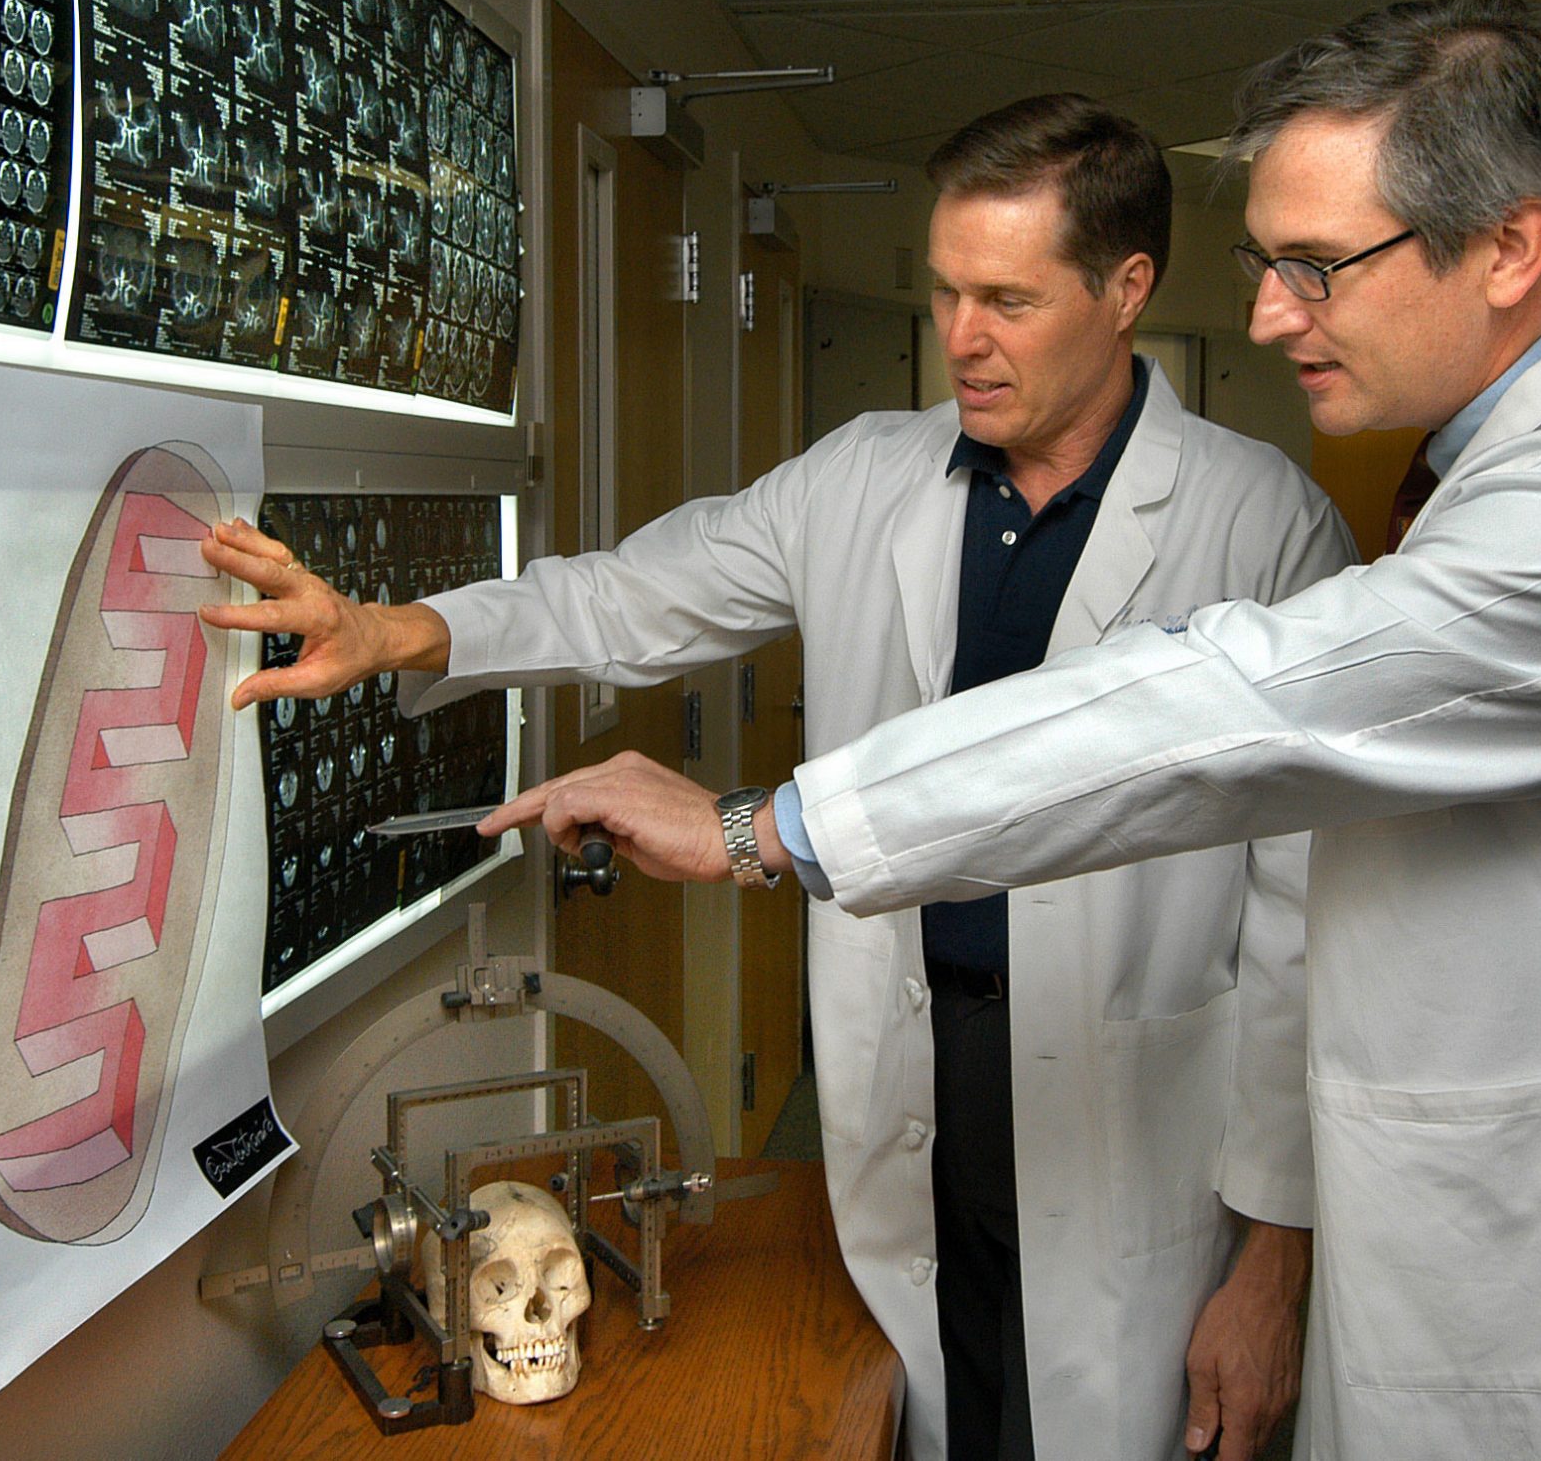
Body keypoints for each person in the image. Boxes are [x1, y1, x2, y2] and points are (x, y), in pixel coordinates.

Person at [490, 0, 1541, 1459]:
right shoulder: (1524, 469)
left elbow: (1231, 711)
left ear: (1512, 247)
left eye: (1317, 267)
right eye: (1267, 265)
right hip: (1502, 1207)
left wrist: (761, 824)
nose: (1275, 313)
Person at [202, 95, 1355, 1461]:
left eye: (1007, 297)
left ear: (1126, 288)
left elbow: (1306, 932)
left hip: (1138, 1113)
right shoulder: (865, 477)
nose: (961, 337)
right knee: (920, 1415)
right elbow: (631, 595)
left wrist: (1275, 1260)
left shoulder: (1263, 521)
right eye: (943, 290)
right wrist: (400, 629)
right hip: (908, 1081)